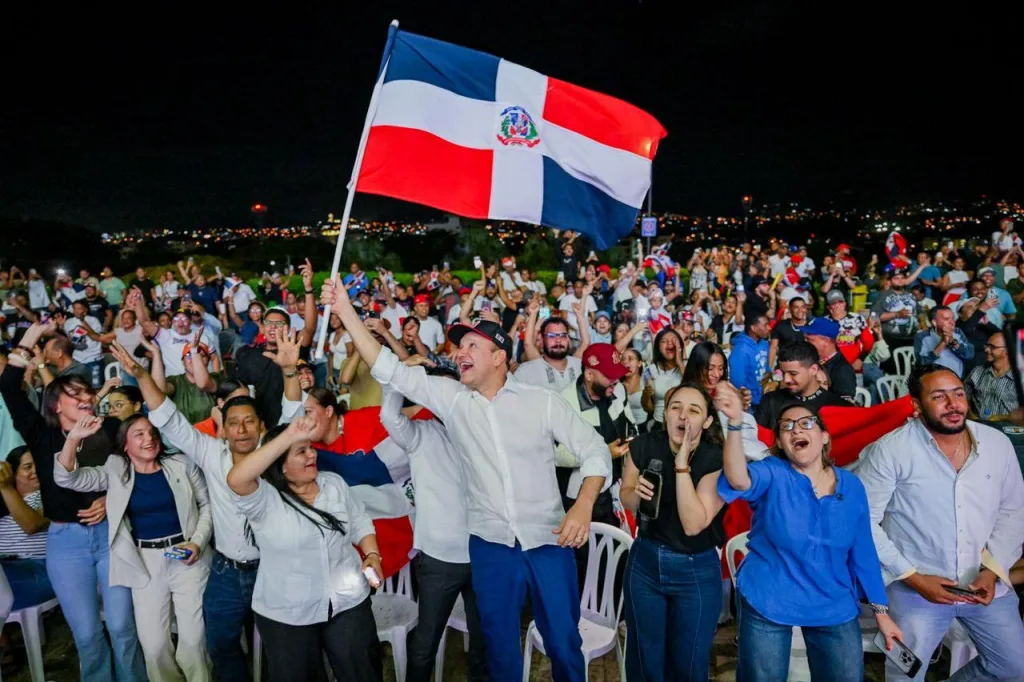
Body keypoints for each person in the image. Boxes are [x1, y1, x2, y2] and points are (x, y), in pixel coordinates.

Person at [321, 276, 611, 682]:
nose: (460, 353)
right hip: (491, 548)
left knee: (563, 643)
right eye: (459, 346)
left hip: (548, 540)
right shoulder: (453, 401)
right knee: (498, 647)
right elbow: (389, 369)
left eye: (471, 345)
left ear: (498, 356)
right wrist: (344, 311)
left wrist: (582, 504)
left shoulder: (541, 403)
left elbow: (596, 451)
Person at [715, 387, 902, 681]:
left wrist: (881, 612)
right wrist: (736, 422)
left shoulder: (851, 487)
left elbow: (863, 552)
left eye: (805, 423)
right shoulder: (772, 472)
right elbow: (739, 480)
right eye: (786, 427)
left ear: (824, 436)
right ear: (779, 442)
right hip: (770, 596)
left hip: (832, 601)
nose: (795, 430)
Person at [856, 364, 1024, 680]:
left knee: (1014, 668)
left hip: (983, 586)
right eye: (939, 396)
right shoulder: (891, 450)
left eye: (958, 394)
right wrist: (915, 578)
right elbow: (863, 523)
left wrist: (993, 570)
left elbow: (1014, 511)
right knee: (906, 674)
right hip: (915, 590)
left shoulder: (996, 445)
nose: (953, 404)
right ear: (917, 405)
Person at [0, 323, 147, 682]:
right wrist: (30, 339)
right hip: (66, 543)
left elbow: (135, 475)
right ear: (56, 403)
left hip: (111, 536)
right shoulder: (41, 434)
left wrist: (109, 501)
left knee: (124, 627)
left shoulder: (111, 430)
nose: (84, 396)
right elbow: (8, 387)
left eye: (86, 390)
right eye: (73, 392)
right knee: (86, 634)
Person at [110, 341, 263, 682]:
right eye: (233, 422)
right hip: (215, 565)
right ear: (220, 422)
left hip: (257, 564)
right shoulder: (209, 453)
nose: (240, 430)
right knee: (188, 646)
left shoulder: (271, 455)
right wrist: (138, 373)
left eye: (249, 422)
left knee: (208, 643)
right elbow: (169, 417)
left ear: (261, 426)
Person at [56, 414, 213, 682]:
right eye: (139, 434)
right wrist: (72, 439)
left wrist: (197, 542)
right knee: (153, 646)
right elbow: (68, 479)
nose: (148, 438)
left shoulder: (180, 464)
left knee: (193, 641)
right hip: (145, 561)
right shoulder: (116, 470)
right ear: (125, 444)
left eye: (151, 432)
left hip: (188, 556)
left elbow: (207, 506)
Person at [225, 417, 383, 682]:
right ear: (281, 465)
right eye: (301, 451)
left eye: (311, 448)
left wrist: (372, 555)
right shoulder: (264, 499)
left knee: (362, 672)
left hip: (348, 602)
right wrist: (288, 436)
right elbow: (236, 478)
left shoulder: (334, 484)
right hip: (289, 614)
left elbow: (360, 522)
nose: (312, 455)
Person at [378, 378, 488, 682]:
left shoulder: (482, 432)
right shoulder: (420, 435)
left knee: (484, 640)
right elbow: (389, 416)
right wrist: (397, 377)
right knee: (425, 643)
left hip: (483, 554)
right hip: (439, 560)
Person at [619, 383, 728, 681]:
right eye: (676, 408)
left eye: (693, 410)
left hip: (695, 570)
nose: (683, 416)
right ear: (665, 414)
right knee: (644, 660)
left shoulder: (716, 459)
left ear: (706, 422)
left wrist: (681, 466)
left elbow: (693, 524)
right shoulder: (643, 445)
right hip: (644, 562)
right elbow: (626, 495)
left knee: (688, 664)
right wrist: (635, 496)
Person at [0, 447, 55, 610]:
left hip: (37, 570)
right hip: (6, 570)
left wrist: (6, 488)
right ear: (12, 473)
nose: (36, 470)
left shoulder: (53, 496)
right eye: (27, 467)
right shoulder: (4, 502)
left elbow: (32, 525)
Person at [754, 341, 849, 428]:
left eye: (793, 373)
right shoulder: (770, 401)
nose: (786, 379)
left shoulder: (839, 407)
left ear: (813, 370)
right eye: (783, 373)